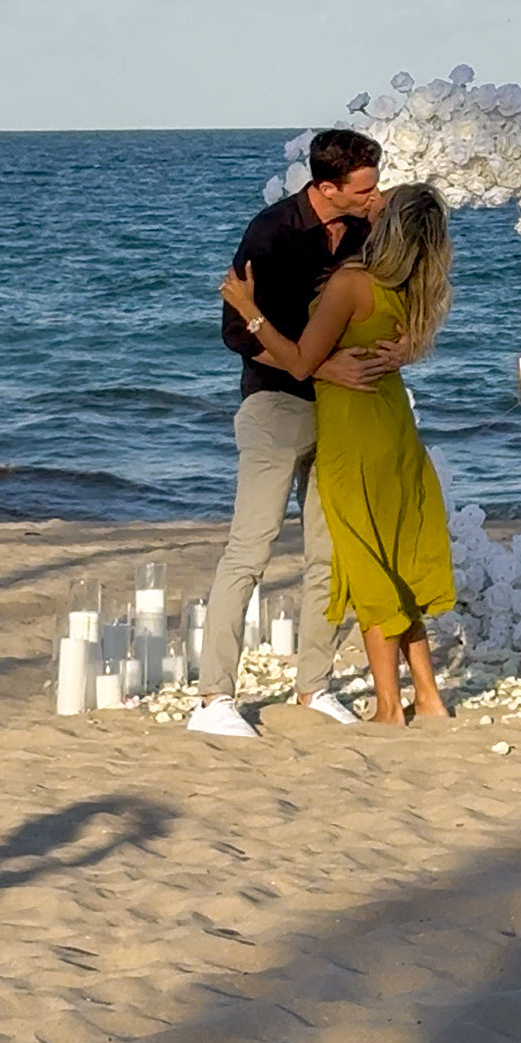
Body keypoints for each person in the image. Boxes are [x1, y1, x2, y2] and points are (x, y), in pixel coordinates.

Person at [189, 128, 399, 740]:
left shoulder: (366, 230)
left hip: (342, 411)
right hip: (275, 403)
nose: (373, 194)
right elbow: (238, 330)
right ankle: (212, 700)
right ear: (327, 186)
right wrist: (319, 363)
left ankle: (315, 686)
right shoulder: (273, 231)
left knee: (328, 554)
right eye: (364, 188)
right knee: (250, 548)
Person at [220, 184, 455, 727]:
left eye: (383, 201)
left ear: (390, 227)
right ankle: (430, 698)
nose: (374, 201)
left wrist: (249, 311)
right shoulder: (418, 288)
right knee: (396, 563)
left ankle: (390, 708)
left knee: (366, 564)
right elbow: (406, 344)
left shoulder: (354, 284)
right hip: (396, 427)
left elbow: (301, 363)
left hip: (354, 434)